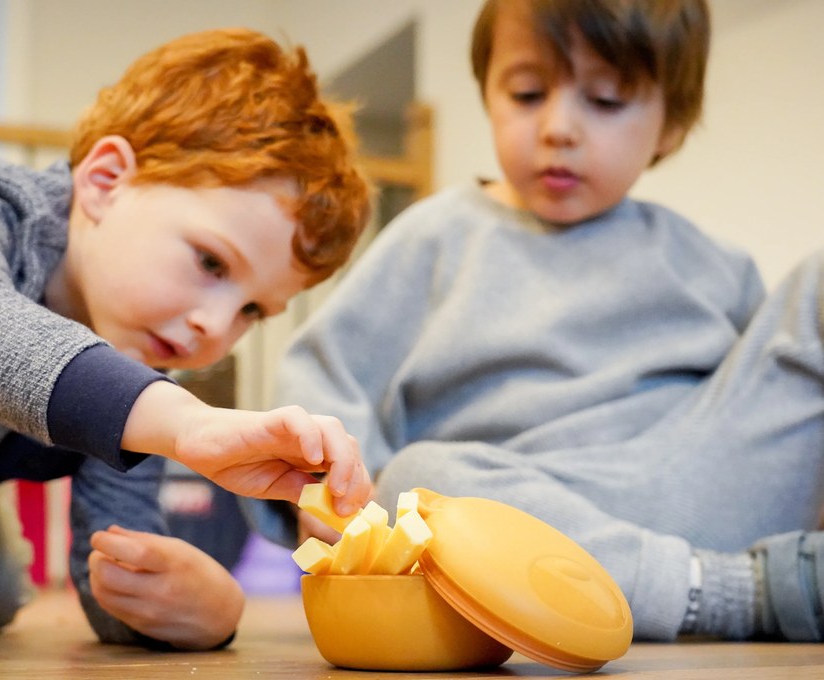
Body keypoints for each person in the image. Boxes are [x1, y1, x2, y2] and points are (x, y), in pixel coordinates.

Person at [244, 0, 824, 643]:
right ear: (488, 92)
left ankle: (744, 581)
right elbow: (325, 379)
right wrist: (335, 495)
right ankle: (731, 594)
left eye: (605, 101)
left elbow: (766, 419)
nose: (558, 128)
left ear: (670, 126)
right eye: (526, 94)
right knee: (420, 481)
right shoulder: (435, 238)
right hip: (525, 536)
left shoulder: (714, 263)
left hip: (694, 489)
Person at [0, 28, 372, 651]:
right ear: (104, 181)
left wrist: (205, 612)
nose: (218, 325)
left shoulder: (141, 382)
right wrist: (183, 423)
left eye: (253, 310)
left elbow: (110, 569)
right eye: (211, 263)